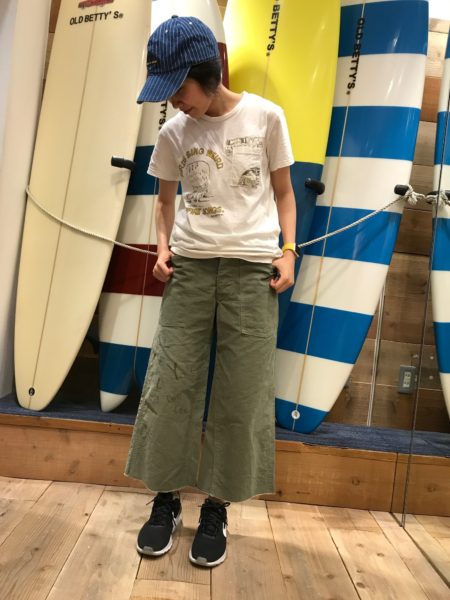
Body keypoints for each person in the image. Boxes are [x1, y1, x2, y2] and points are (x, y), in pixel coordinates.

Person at [125, 15, 297, 568]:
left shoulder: (266, 117)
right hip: (191, 270)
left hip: (252, 270)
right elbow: (164, 201)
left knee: (242, 390)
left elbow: (285, 193)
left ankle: (218, 506)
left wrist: (289, 251)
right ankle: (166, 498)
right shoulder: (174, 133)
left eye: (179, 88)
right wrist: (161, 247)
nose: (175, 102)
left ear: (208, 72)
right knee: (170, 381)